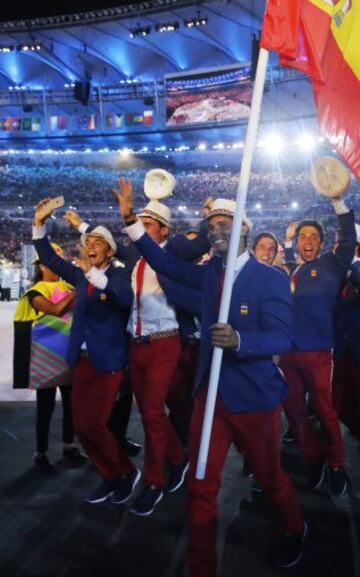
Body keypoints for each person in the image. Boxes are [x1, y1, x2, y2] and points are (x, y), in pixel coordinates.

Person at [114, 187, 307, 574]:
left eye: (224, 224)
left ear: (244, 230)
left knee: (269, 478)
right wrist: (131, 221)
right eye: (211, 225)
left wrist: (241, 340)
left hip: (254, 398)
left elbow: (283, 338)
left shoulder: (269, 279)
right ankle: (201, 567)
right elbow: (163, 264)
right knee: (201, 484)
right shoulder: (207, 275)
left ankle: (294, 526)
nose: (215, 230)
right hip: (211, 398)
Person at [32, 198, 140, 505]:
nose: (89, 244)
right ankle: (110, 476)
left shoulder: (118, 275)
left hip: (107, 363)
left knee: (95, 425)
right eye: (87, 241)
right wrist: (39, 224)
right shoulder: (79, 274)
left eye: (96, 241)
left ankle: (126, 472)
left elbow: (121, 298)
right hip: (81, 363)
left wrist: (93, 274)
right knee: (81, 427)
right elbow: (48, 260)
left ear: (109, 249)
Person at [280, 194, 356, 497]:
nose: (307, 240)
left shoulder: (332, 264)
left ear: (322, 243)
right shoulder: (293, 271)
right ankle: (313, 456)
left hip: (319, 353)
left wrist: (338, 201)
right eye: (303, 236)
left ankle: (336, 465)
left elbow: (348, 237)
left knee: (325, 410)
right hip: (288, 353)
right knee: (294, 409)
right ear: (298, 243)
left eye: (313, 236)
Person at [13, 244, 85, 471]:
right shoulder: (35, 291)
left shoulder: (67, 285)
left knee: (72, 406)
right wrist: (79, 290)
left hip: (68, 353)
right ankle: (41, 452)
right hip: (44, 357)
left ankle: (68, 445)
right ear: (42, 265)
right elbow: (56, 310)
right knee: (45, 407)